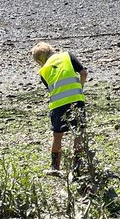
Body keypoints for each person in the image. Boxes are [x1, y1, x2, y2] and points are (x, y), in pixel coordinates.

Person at [30, 41, 88, 175]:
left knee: (57, 136)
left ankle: (55, 168)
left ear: (39, 60)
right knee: (78, 133)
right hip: (76, 100)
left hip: (57, 105)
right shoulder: (67, 56)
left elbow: (51, 89)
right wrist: (80, 89)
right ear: (51, 49)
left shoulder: (43, 71)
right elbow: (83, 73)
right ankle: (77, 166)